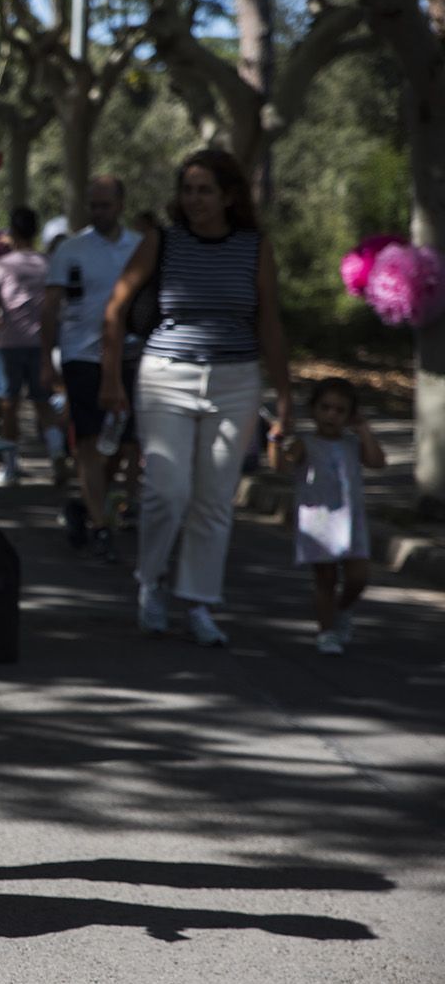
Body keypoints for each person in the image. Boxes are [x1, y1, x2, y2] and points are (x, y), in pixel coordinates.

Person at [101, 148, 293, 647]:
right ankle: (150, 582)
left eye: (205, 190)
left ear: (229, 196)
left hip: (237, 379)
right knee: (168, 491)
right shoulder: (161, 241)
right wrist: (111, 377)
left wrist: (287, 396)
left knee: (214, 499)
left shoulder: (255, 246)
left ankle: (200, 601)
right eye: (187, 189)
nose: (194, 199)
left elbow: (269, 322)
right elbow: (116, 307)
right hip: (167, 374)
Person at [40, 175, 144, 560]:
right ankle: (100, 522)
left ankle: (92, 502)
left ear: (121, 204)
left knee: (125, 440)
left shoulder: (139, 247)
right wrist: (45, 361)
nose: (100, 211)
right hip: (81, 356)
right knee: (87, 439)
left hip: (131, 355)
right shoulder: (71, 249)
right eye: (94, 205)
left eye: (107, 204)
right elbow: (50, 307)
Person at [279, 378, 386, 655]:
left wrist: (363, 430)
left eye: (340, 410)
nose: (331, 415)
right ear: (313, 409)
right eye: (325, 408)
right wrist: (276, 439)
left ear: (350, 415)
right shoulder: (305, 443)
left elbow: (377, 462)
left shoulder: (352, 443)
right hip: (319, 522)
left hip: (351, 521)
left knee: (358, 577)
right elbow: (281, 465)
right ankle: (326, 631)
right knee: (325, 578)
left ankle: (343, 609)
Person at [0, 207, 61, 486]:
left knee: (9, 406)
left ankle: (11, 465)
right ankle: (57, 458)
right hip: (42, 343)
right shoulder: (49, 262)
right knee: (44, 404)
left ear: (12, 232)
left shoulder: (2, 265)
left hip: (10, 343)